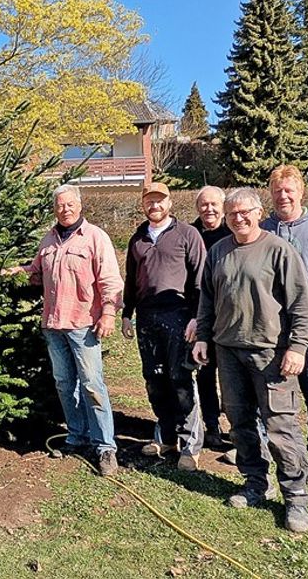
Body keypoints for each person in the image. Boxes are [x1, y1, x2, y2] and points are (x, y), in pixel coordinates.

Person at [193, 188, 308, 533]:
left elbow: (302, 306)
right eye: (232, 214)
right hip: (228, 352)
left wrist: (298, 347)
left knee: (280, 428)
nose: (238, 218)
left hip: (271, 355)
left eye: (244, 212)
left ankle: (296, 497)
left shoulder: (279, 251)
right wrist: (203, 336)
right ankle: (254, 483)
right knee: (241, 423)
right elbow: (207, 301)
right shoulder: (218, 252)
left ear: (259, 212)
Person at [11, 183, 123, 476]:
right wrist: (13, 272)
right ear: (54, 208)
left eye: (70, 204)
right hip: (53, 324)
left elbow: (111, 279)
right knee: (64, 383)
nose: (65, 209)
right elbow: (36, 272)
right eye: (60, 205)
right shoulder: (48, 240)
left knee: (92, 384)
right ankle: (76, 435)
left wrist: (108, 313)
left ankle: (105, 447)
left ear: (80, 205)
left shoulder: (95, 237)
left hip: (83, 324)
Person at [260, 165, 308, 487]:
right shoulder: (264, 228)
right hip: (270, 325)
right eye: (277, 191)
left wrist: (297, 304)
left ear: (301, 192)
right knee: (272, 390)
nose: (283, 196)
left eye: (289, 190)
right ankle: (270, 448)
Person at [122, 182, 205, 471]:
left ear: (169, 203)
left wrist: (197, 317)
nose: (154, 206)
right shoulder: (138, 239)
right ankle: (166, 437)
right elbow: (130, 281)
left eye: (159, 201)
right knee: (154, 381)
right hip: (146, 318)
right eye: (149, 201)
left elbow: (200, 280)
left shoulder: (187, 234)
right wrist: (126, 314)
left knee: (180, 380)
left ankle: (190, 446)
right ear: (143, 205)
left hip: (179, 316)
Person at [191, 185, 233, 448]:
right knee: (205, 375)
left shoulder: (233, 234)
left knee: (231, 378)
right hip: (202, 319)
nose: (209, 209)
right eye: (204, 205)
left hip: (229, 319)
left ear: (223, 206)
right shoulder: (189, 234)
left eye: (214, 205)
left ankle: (239, 429)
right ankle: (211, 425)